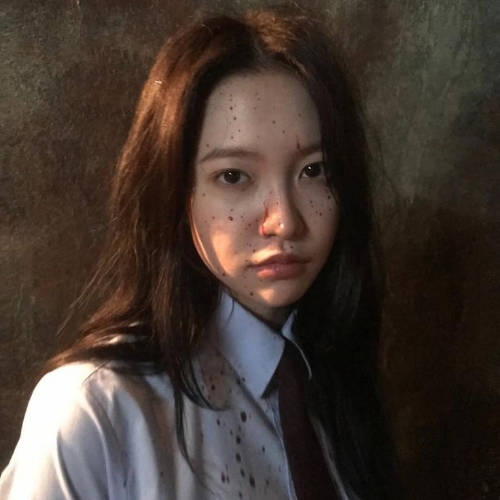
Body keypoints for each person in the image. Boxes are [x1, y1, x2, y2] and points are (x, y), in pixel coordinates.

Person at [0, 6, 400, 500]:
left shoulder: (334, 384)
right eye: (233, 176)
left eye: (313, 170)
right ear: (175, 191)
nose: (284, 220)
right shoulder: (96, 410)